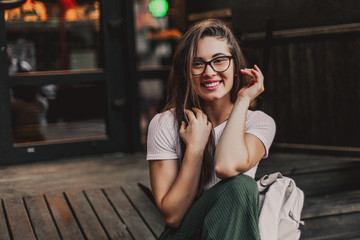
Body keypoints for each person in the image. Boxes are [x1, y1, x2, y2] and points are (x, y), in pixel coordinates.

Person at [146, 19, 276, 239]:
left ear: (235, 65)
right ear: (187, 72)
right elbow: (173, 217)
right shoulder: (165, 123)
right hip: (184, 234)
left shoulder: (259, 123)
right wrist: (194, 150)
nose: (209, 72)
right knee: (241, 186)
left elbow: (226, 167)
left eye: (219, 60)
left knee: (240, 185)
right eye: (198, 63)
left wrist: (243, 100)